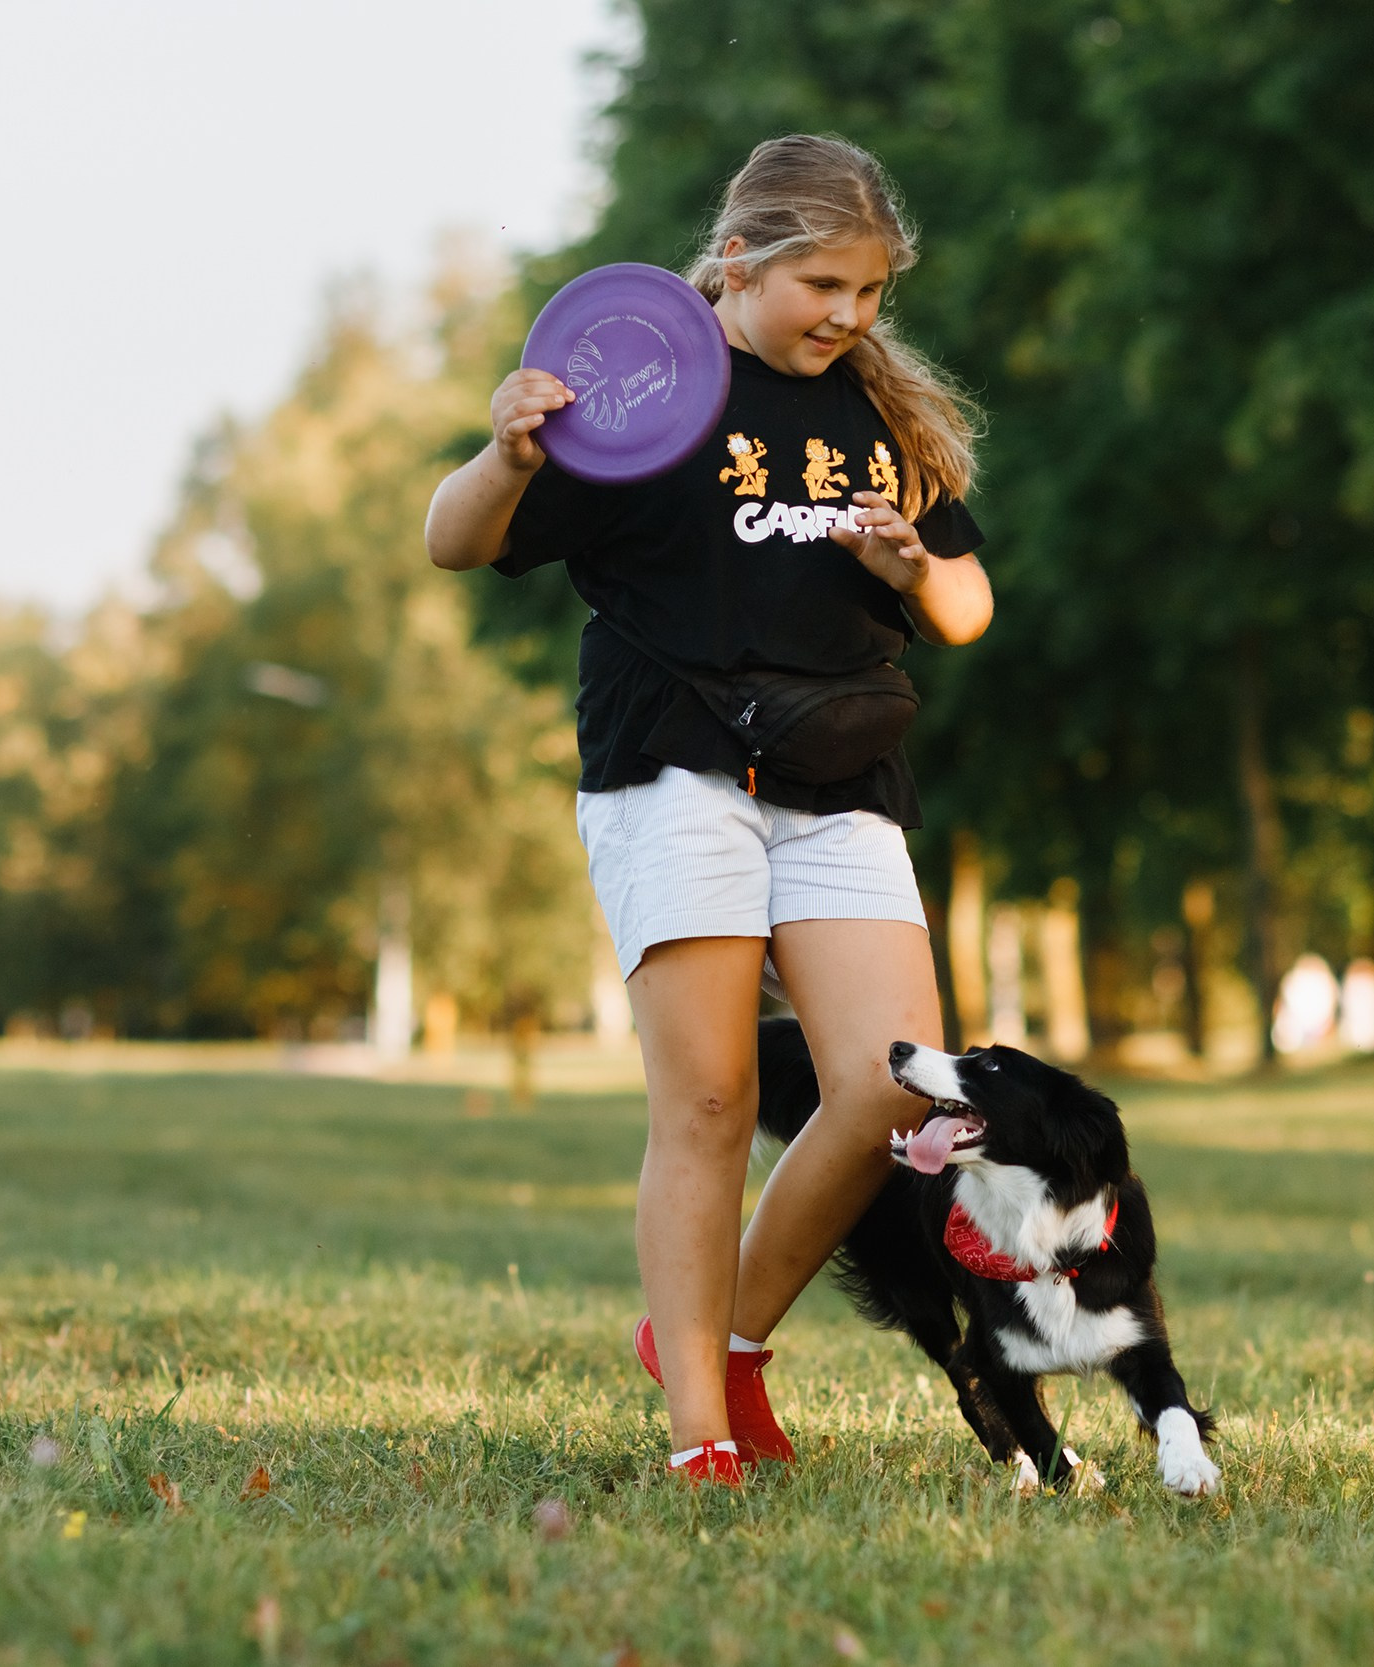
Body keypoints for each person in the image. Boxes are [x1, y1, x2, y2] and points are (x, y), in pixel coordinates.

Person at [424, 134, 992, 1487]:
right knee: (712, 1099)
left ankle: (722, 1338)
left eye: (871, 291)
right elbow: (456, 538)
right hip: (673, 771)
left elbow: (968, 609)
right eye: (824, 286)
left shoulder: (885, 417)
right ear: (737, 262)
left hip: (839, 779)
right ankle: (700, 1433)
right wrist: (507, 454)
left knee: (892, 1089)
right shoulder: (645, 394)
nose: (850, 315)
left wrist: (911, 568)